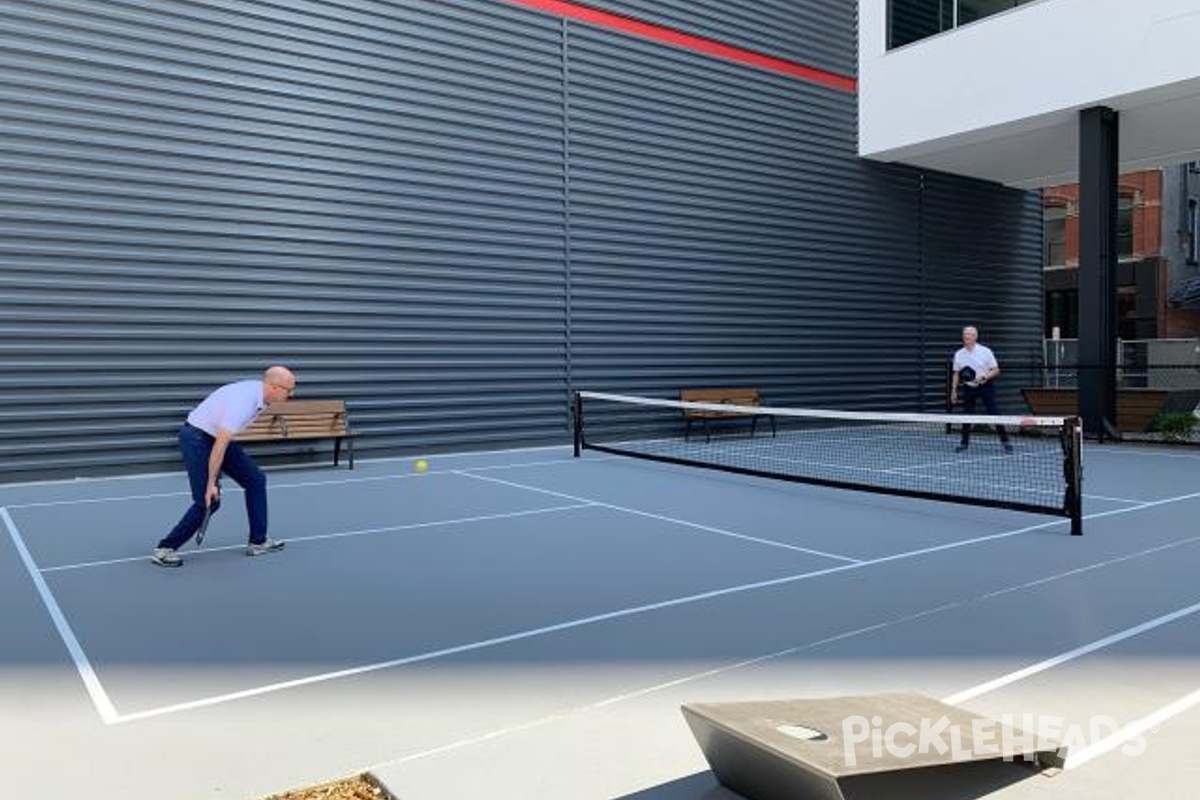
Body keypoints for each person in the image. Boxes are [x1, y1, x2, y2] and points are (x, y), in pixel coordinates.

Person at [152, 366, 295, 567]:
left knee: (255, 480)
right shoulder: (245, 401)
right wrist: (212, 482)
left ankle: (258, 542)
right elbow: (220, 443)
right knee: (209, 500)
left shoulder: (260, 394)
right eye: (289, 390)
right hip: (197, 438)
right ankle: (165, 548)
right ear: (274, 386)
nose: (291, 394)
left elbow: (223, 437)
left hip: (215, 438)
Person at [950, 326, 1013, 453]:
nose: (966, 336)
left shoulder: (986, 351)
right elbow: (956, 373)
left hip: (986, 386)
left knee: (994, 414)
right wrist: (953, 390)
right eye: (965, 334)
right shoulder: (959, 354)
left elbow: (996, 370)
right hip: (969, 388)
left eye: (969, 334)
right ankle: (964, 443)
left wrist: (986, 377)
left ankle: (1006, 442)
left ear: (975, 337)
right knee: (967, 416)